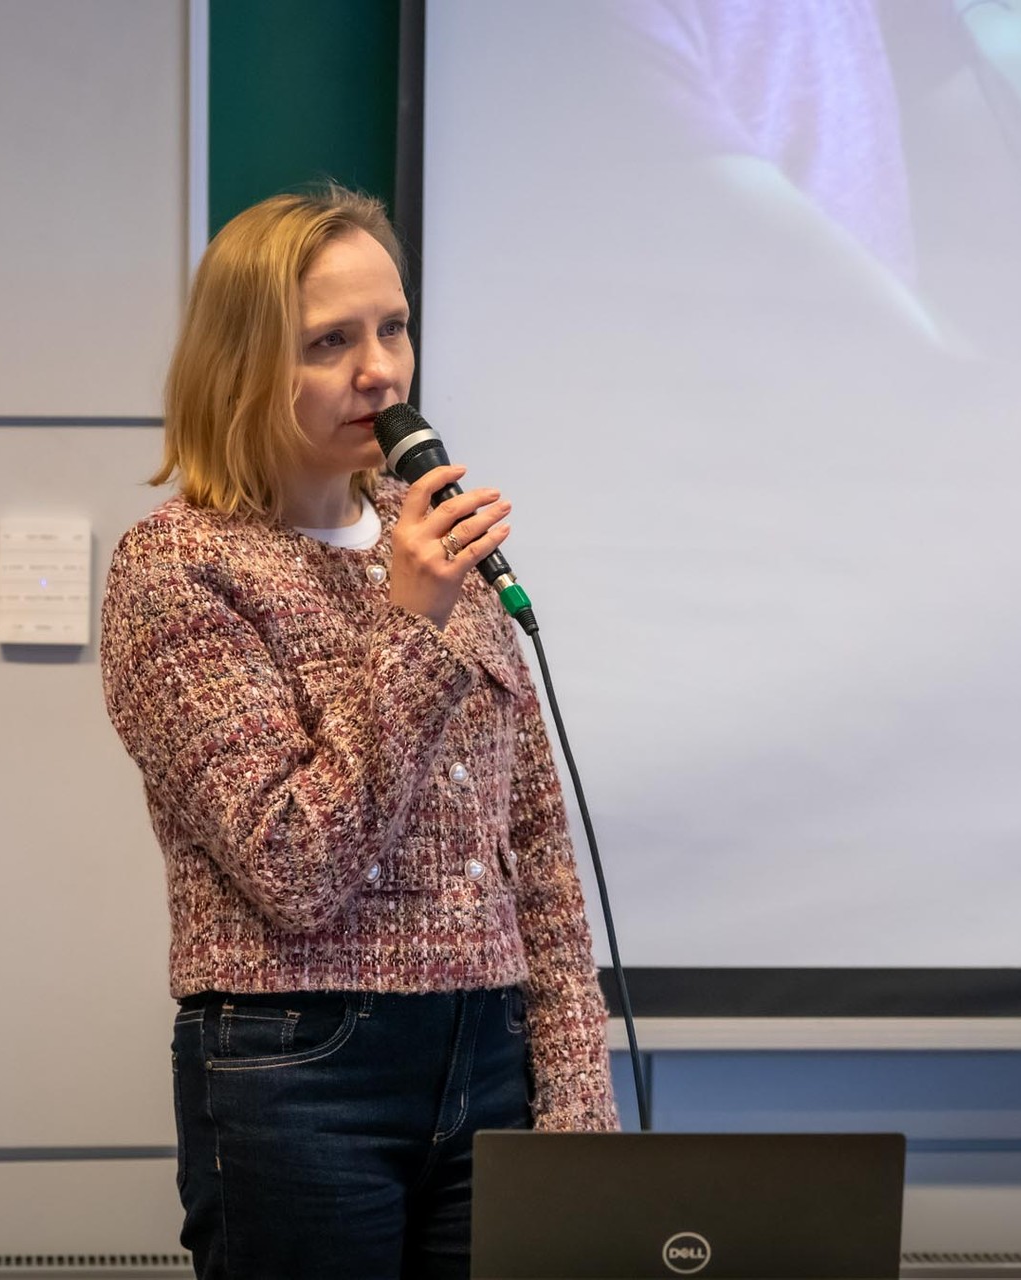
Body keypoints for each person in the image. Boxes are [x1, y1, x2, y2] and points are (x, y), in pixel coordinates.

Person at [98, 187, 620, 1278]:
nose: (381, 372)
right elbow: (296, 863)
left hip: (495, 1060)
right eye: (330, 342)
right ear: (240, 364)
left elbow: (533, 846)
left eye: (393, 327)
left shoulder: (429, 540)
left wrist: (577, 1092)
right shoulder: (178, 569)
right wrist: (411, 622)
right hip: (302, 1068)